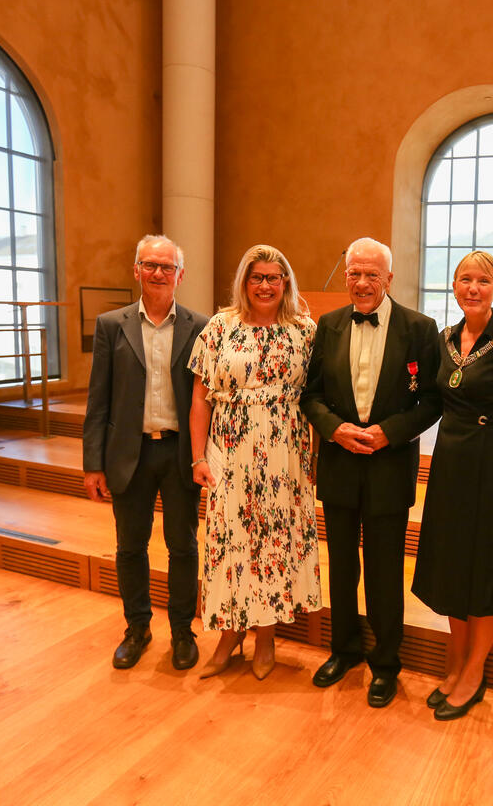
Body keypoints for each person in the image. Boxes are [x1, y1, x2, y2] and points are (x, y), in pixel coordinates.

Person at [301, 237, 442, 707]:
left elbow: (432, 402)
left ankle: (385, 662)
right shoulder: (329, 325)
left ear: (389, 279)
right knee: (341, 567)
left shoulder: (421, 328)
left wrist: (390, 433)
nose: (361, 283)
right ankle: (344, 650)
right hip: (340, 462)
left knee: (383, 570)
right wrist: (334, 429)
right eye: (354, 274)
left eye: (372, 275)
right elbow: (311, 395)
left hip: (388, 464)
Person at [411, 250, 493, 720]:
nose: (473, 287)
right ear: (453, 285)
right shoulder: (445, 339)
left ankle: (475, 670)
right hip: (449, 461)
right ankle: (457, 659)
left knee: (484, 567)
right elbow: (430, 397)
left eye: (483, 280)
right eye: (465, 279)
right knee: (452, 562)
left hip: (491, 463)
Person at [188, 244, 320, 681]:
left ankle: (265, 636)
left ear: (286, 283)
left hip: (285, 452)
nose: (265, 285)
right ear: (244, 282)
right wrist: (197, 457)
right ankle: (229, 634)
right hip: (229, 447)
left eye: (273, 277)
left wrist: (314, 457)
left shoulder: (305, 331)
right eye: (256, 277)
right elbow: (199, 401)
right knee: (229, 543)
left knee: (274, 545)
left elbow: (319, 397)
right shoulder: (218, 328)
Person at [82, 234, 207, 672]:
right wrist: (93, 464)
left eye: (166, 266)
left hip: (178, 454)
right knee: (130, 547)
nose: (158, 273)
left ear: (180, 274)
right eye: (149, 265)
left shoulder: (200, 326)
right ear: (136, 270)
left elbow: (207, 398)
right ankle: (137, 628)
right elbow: (98, 400)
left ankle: (181, 632)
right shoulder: (111, 325)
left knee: (183, 546)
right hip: (127, 454)